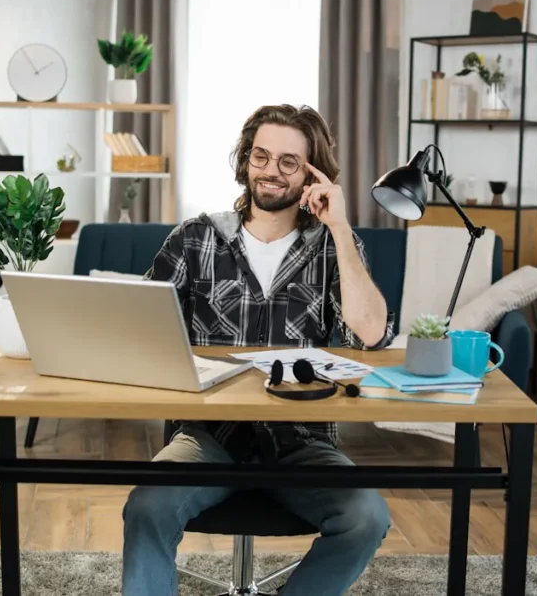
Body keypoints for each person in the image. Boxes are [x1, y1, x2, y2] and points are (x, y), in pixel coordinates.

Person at [121, 103, 396, 596]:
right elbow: (138, 329)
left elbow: (373, 332)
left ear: (315, 173)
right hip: (206, 439)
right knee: (146, 506)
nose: (270, 171)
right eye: (260, 156)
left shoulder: (335, 245)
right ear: (245, 160)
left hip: (302, 445)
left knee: (366, 517)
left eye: (288, 162)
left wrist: (338, 226)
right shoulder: (195, 238)